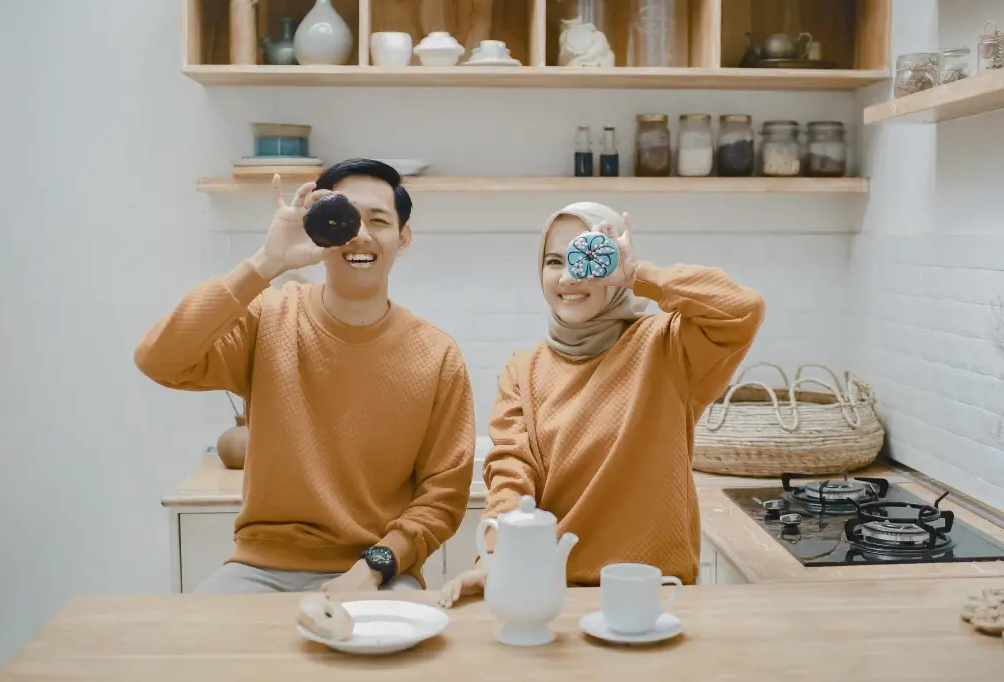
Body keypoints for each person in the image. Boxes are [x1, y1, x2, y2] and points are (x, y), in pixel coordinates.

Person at [135, 158, 476, 594]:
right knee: (194, 636)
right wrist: (265, 262)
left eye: (379, 220)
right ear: (321, 228)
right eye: (348, 218)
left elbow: (442, 497)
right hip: (260, 568)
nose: (362, 234)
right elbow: (158, 358)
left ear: (403, 238)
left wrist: (373, 567)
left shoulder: (437, 356)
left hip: (378, 571)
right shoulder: (269, 317)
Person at [439, 201, 764, 607]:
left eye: (585, 257)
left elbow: (743, 309)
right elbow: (511, 475)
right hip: (555, 593)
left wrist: (637, 275)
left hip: (655, 594)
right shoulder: (522, 370)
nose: (568, 275)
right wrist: (493, 558)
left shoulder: (667, 347)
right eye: (554, 261)